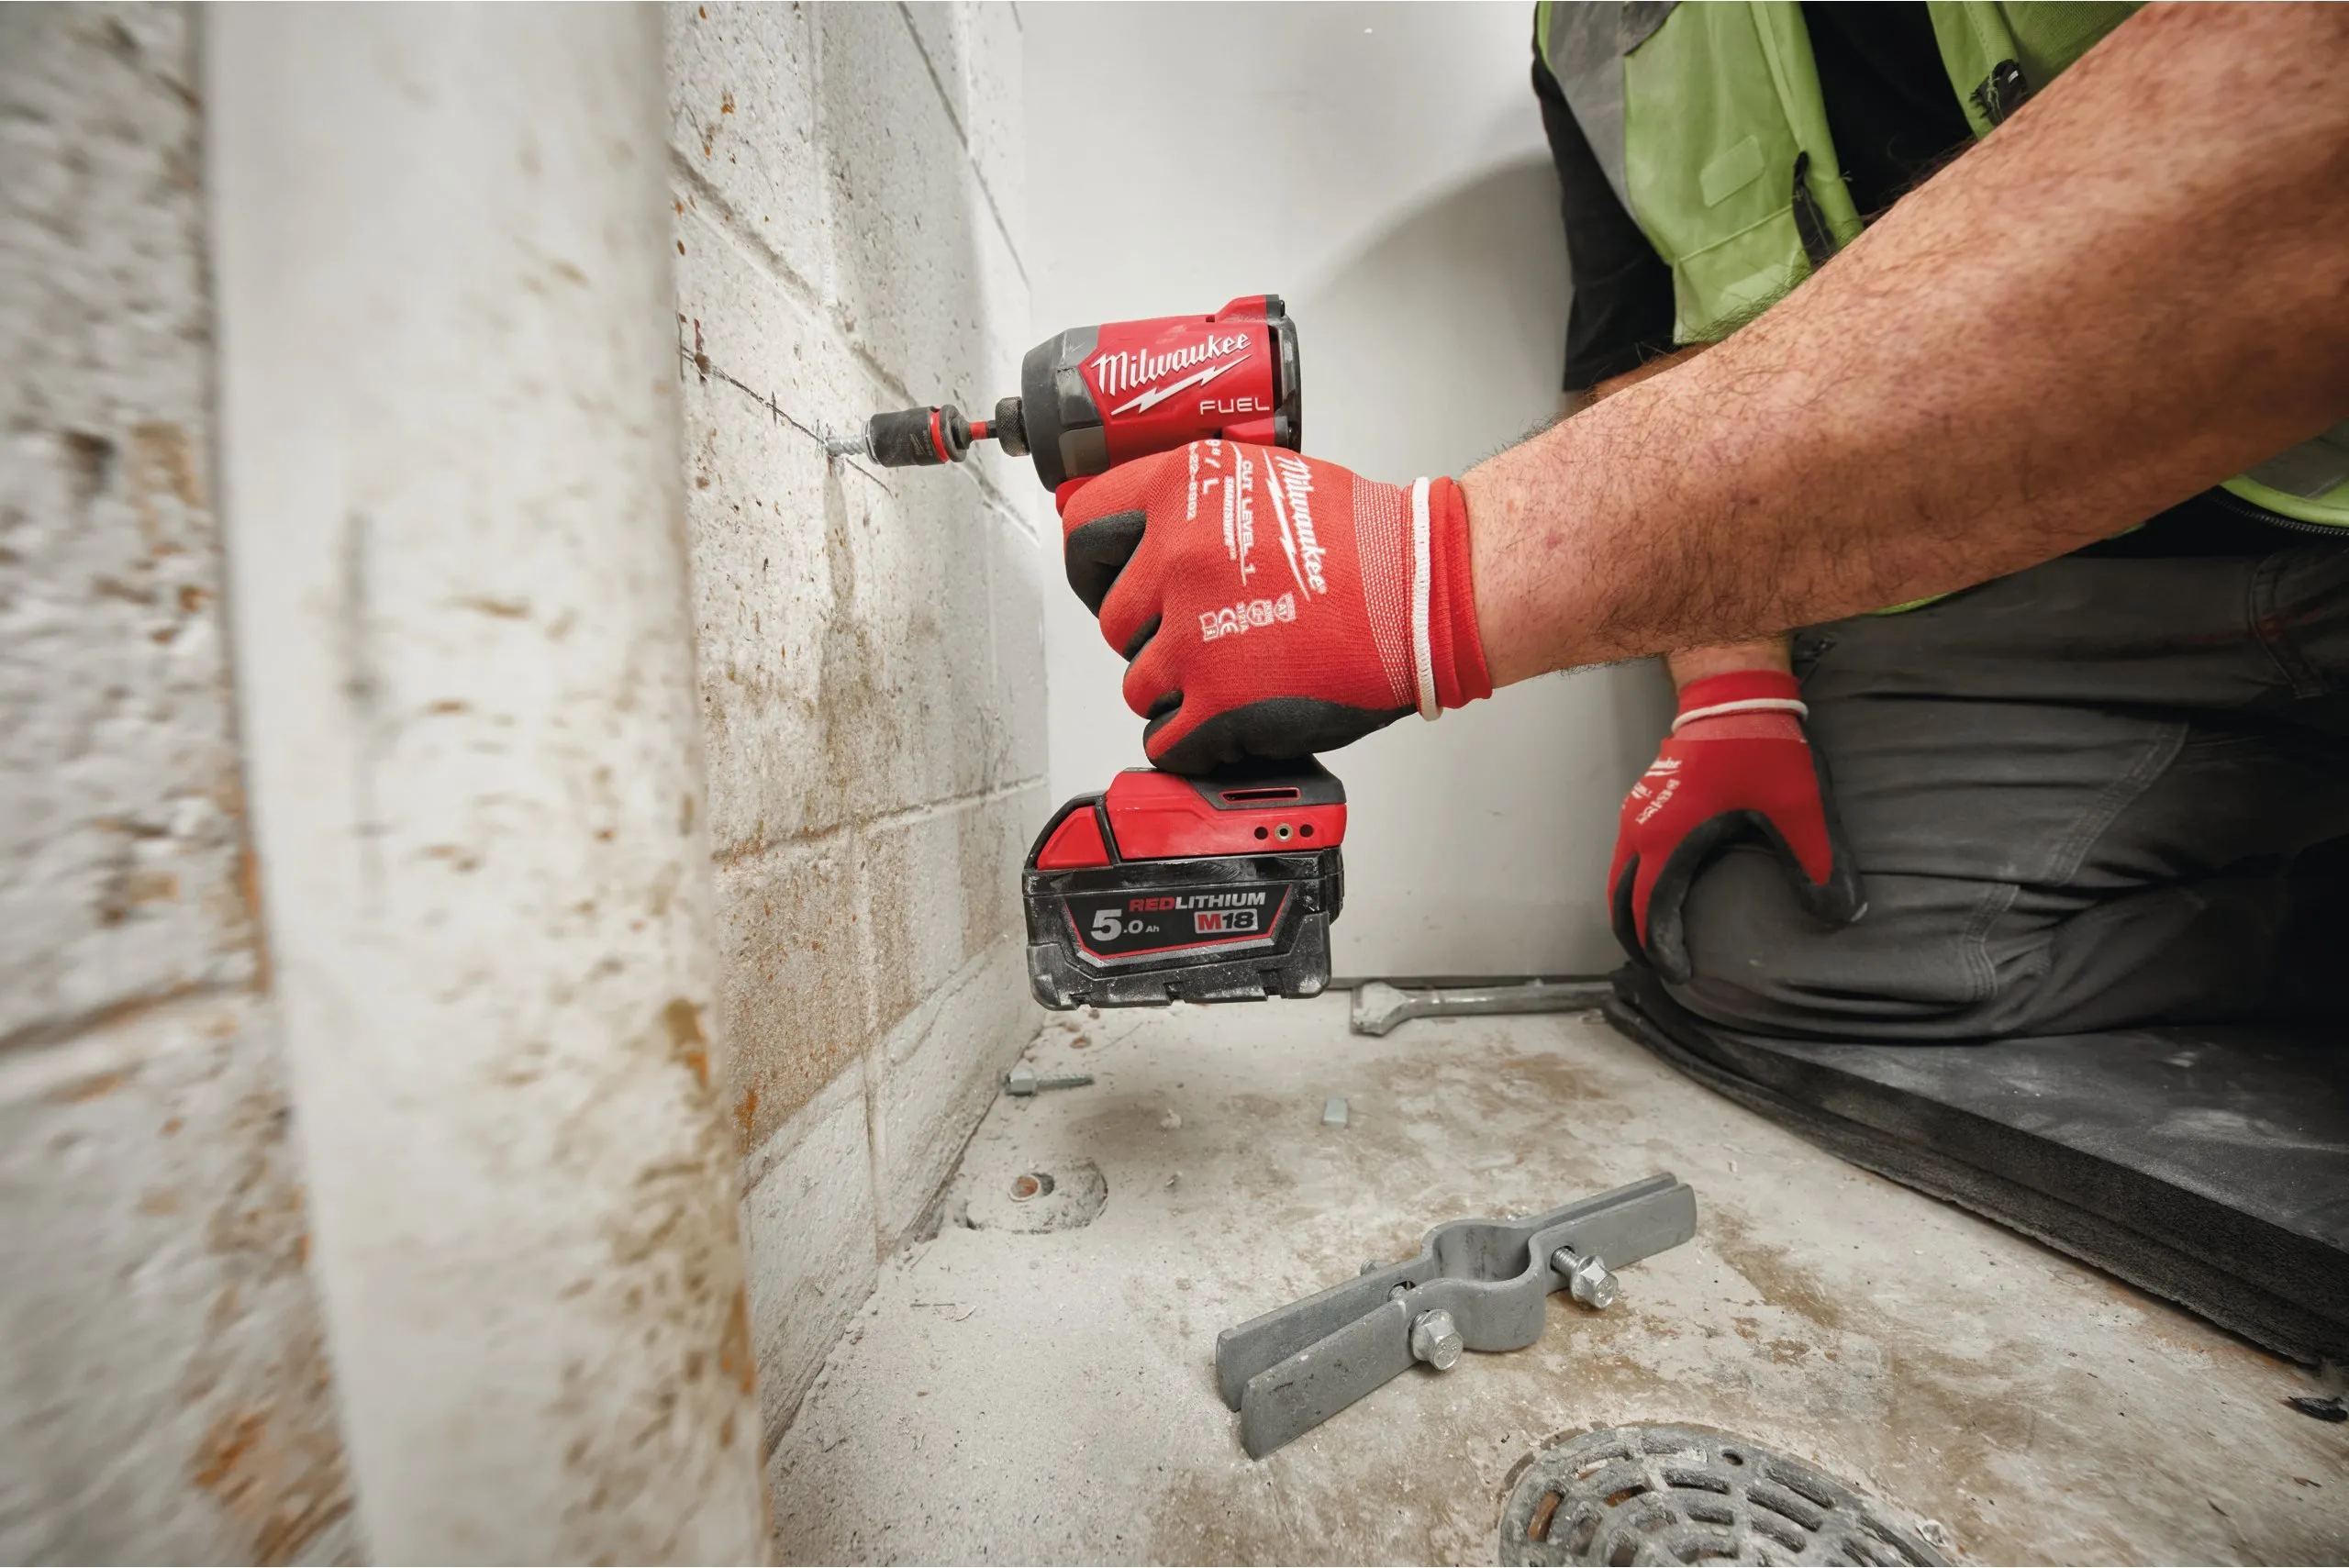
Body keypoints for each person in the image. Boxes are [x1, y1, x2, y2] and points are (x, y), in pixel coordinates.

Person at [1052, 4, 2349, 1040]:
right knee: (1758, 946)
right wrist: (1733, 692)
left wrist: (1433, 574)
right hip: (2038, 598)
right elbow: (1652, 351)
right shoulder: (1587, 28)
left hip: (2316, 508)